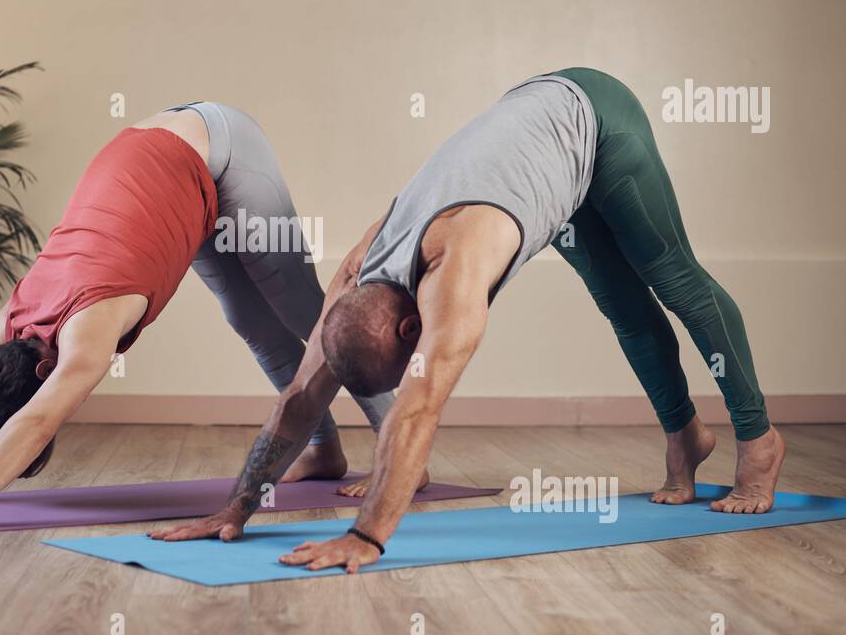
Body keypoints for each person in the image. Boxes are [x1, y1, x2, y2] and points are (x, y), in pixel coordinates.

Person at [150, 68, 786, 574]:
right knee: (623, 305)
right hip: (539, 142)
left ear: (410, 331)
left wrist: (366, 536)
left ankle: (759, 441)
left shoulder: (456, 278)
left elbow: (419, 411)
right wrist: (237, 507)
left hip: (594, 114)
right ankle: (687, 436)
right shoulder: (355, 277)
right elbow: (298, 401)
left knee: (675, 280)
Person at [0, 102, 391, 535]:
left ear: (47, 365)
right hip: (164, 170)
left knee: (317, 320)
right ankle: (323, 450)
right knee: (251, 322)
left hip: (219, 147)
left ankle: (399, 453)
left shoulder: (84, 332)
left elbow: (39, 417)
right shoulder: (14, 323)